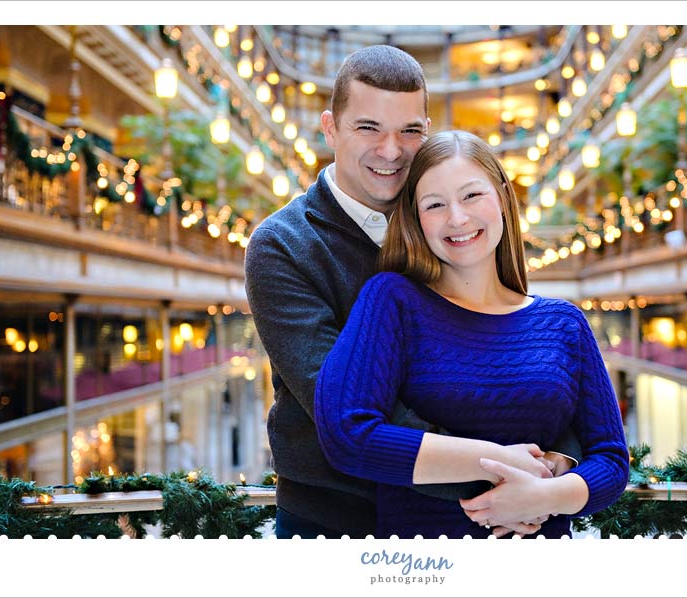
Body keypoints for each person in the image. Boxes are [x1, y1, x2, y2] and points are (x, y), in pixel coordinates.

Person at [246, 46, 579, 539]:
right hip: (335, 517)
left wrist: (553, 463)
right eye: (367, 128)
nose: (391, 150)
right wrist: (502, 477)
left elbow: (512, 347)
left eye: (409, 131)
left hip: (466, 517)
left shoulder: (443, 219)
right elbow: (342, 408)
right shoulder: (283, 245)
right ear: (330, 127)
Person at [314, 130, 629, 538]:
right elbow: (348, 435)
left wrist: (544, 497)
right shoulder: (392, 301)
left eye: (471, 196)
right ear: (416, 218)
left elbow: (611, 460)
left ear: (501, 195)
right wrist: (497, 461)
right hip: (424, 568)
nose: (457, 218)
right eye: (435, 205)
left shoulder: (564, 323)